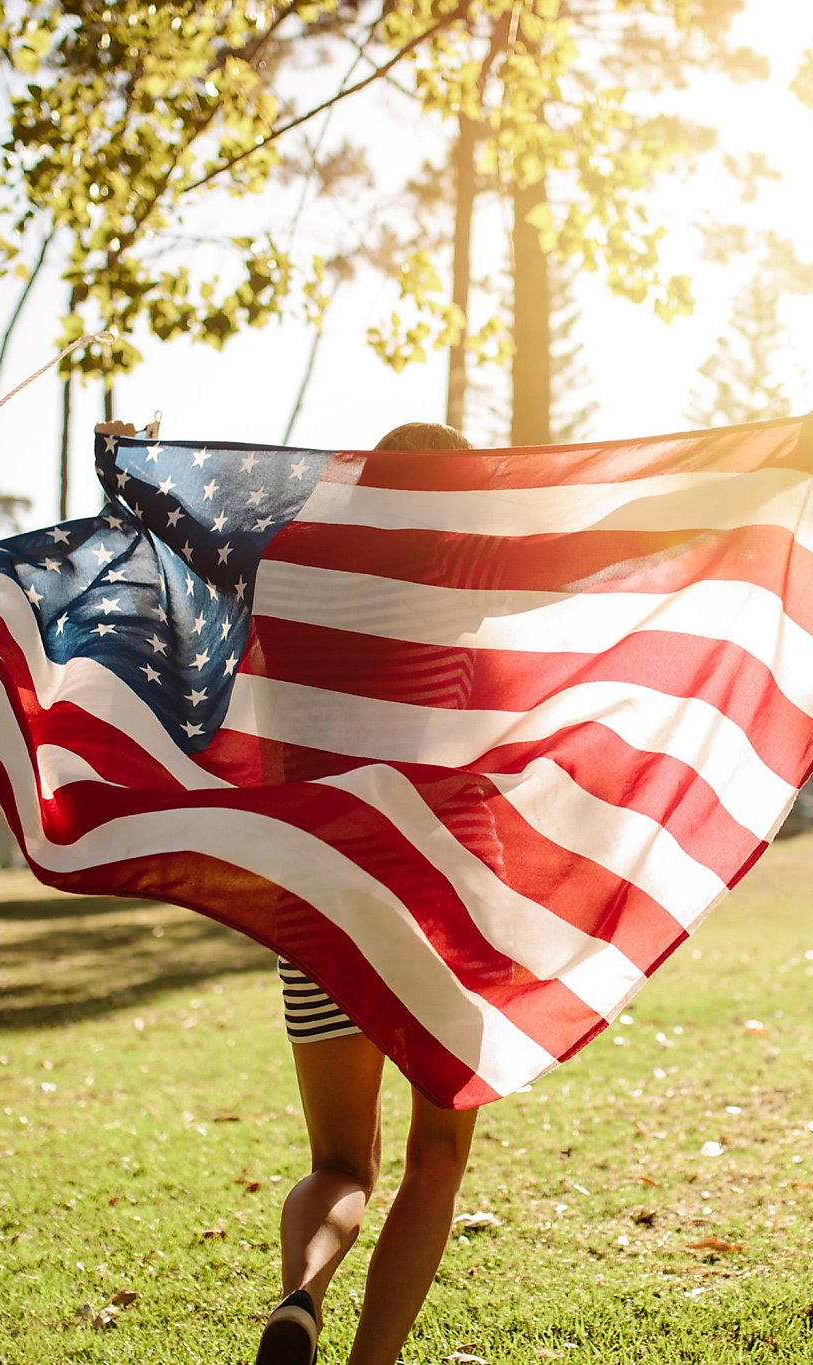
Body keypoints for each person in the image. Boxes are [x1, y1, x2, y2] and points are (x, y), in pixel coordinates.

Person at [256, 420, 481, 1365]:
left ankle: (299, 1298)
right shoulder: (472, 576)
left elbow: (164, 576)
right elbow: (624, 537)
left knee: (338, 1162)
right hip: (445, 890)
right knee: (436, 1156)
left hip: (319, 890)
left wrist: (133, 474)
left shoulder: (284, 572)